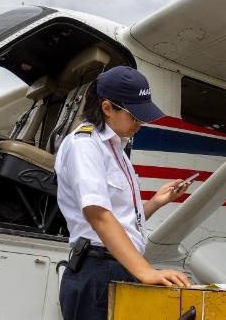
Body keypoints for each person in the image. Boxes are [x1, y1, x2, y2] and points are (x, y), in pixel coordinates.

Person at [57, 65, 191, 320]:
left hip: (116, 266)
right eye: (135, 116)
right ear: (107, 108)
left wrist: (153, 203)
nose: (140, 123)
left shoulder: (116, 149)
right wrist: (146, 271)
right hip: (98, 270)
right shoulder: (85, 145)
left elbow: (119, 218)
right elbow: (98, 215)